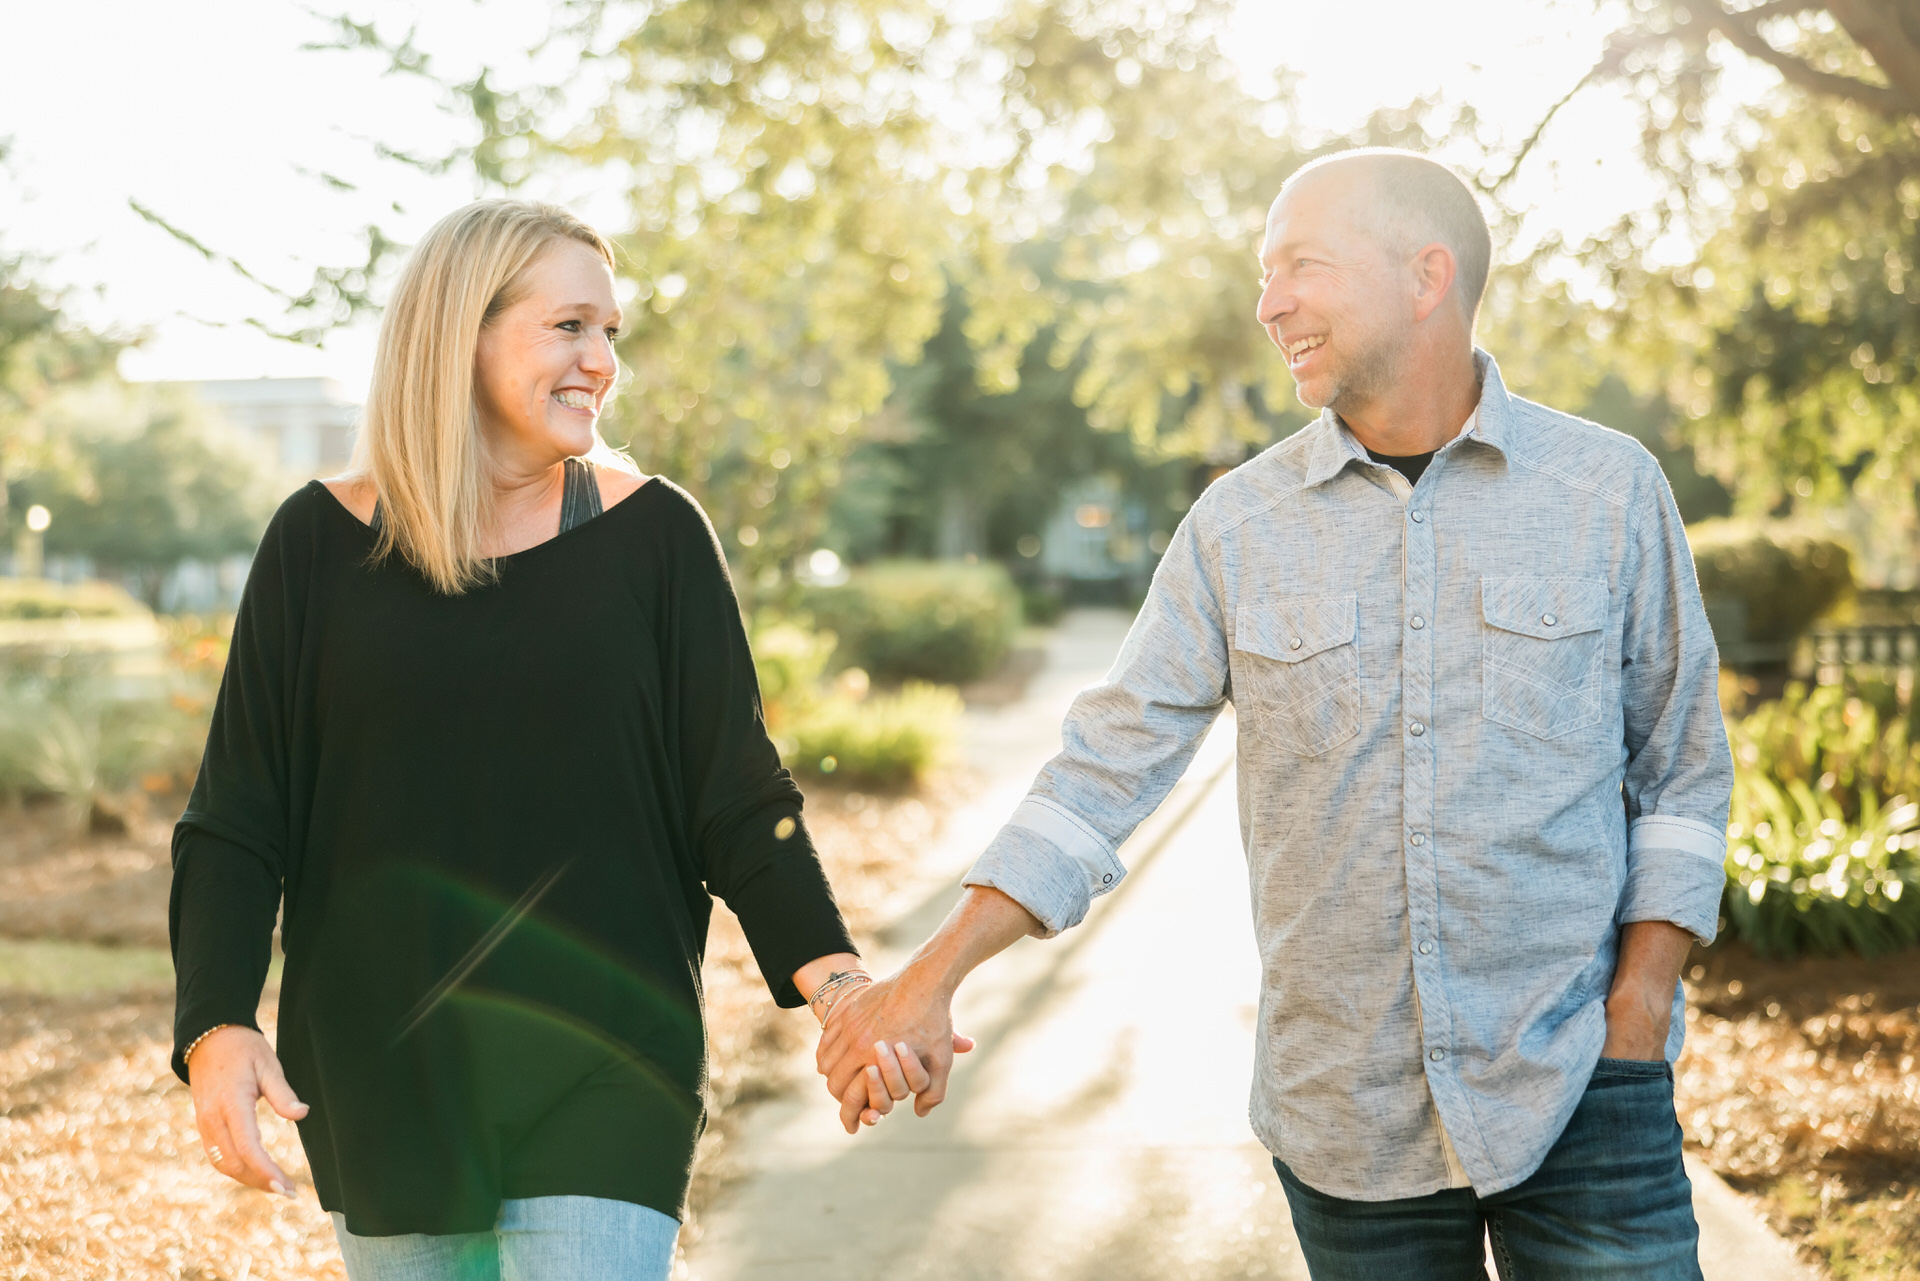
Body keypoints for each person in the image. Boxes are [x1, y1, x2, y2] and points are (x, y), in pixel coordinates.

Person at [817, 149, 1735, 1280]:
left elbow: (1683, 769)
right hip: (1344, 1115)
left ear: (1425, 274)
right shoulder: (1236, 528)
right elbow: (1108, 766)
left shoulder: (1608, 491)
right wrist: (930, 977)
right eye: (1264, 275)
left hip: (1584, 1085)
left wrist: (1636, 1017)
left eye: (1301, 265)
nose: (1269, 306)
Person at [170, 199, 878, 1280]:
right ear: (463, 332)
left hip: (608, 1055)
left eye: (612, 334)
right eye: (570, 327)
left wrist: (839, 988)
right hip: (386, 1069)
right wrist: (216, 1023)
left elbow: (736, 796)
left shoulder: (657, 537)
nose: (601, 362)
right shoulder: (314, 546)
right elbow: (238, 814)